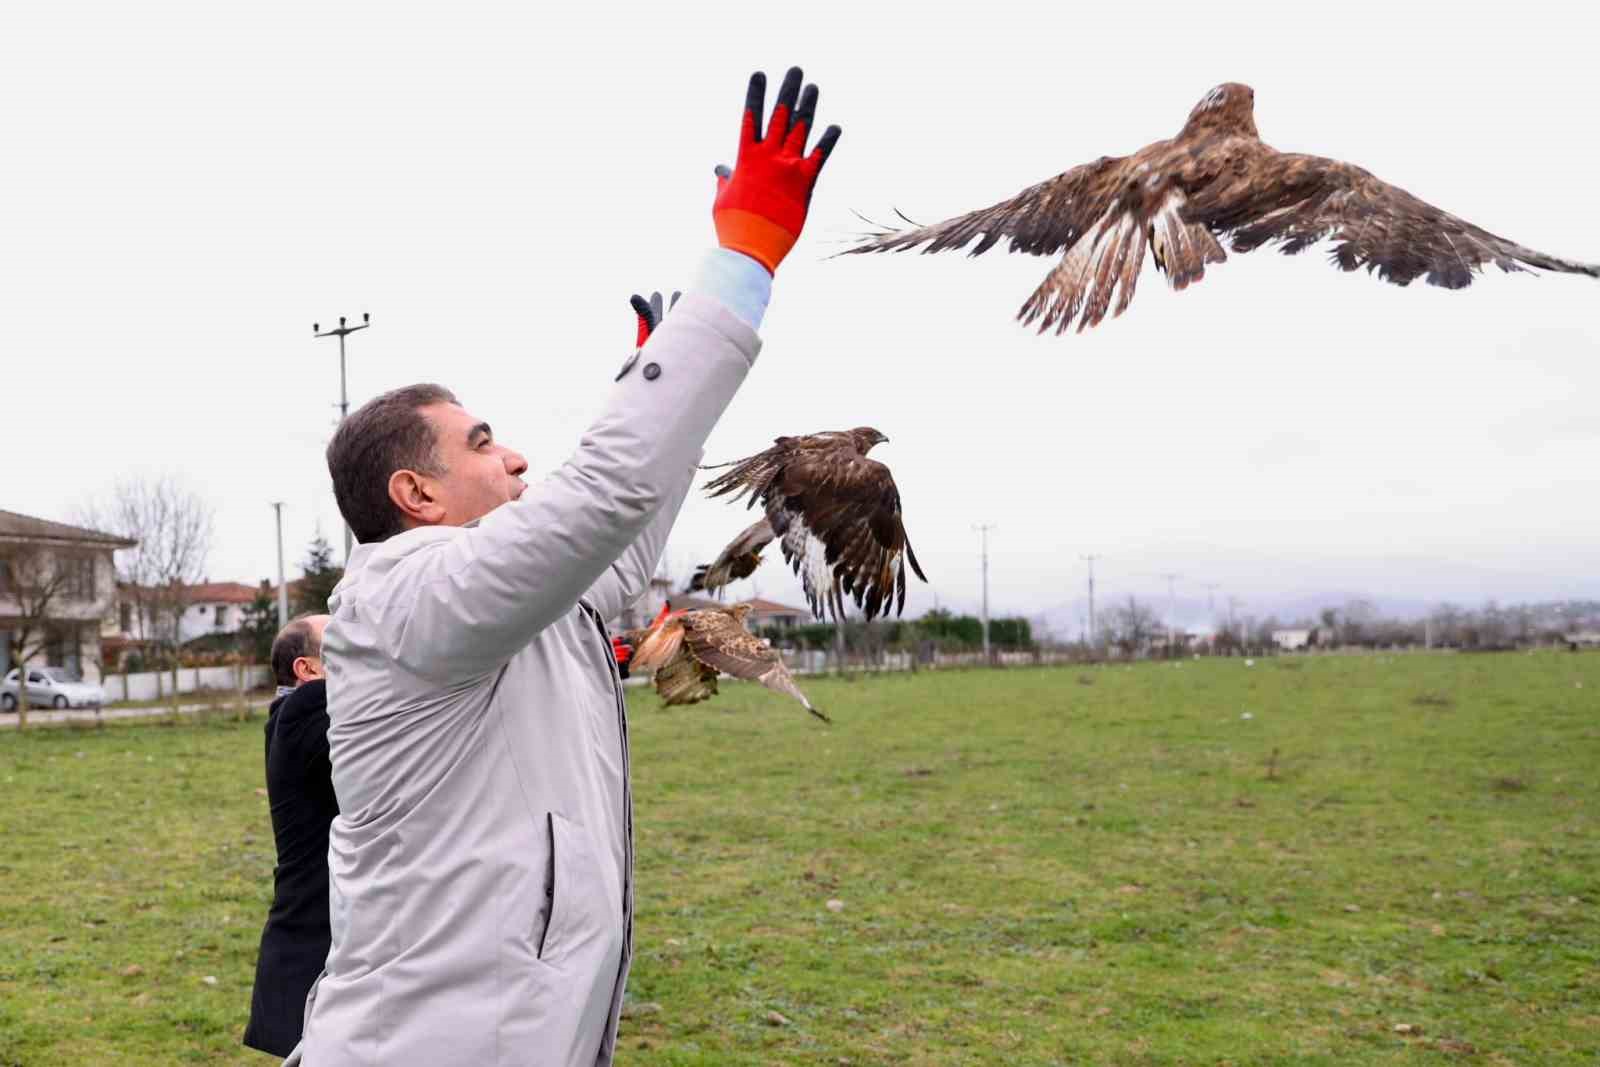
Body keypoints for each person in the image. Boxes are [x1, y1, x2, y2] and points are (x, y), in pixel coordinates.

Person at [286, 66, 841, 1066]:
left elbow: (615, 530)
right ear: (415, 494)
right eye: (483, 441)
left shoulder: (503, 599)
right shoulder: (408, 597)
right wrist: (741, 261)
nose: (516, 456)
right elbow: (601, 494)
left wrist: (651, 378)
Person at [243, 614, 337, 1058]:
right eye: (336, 638)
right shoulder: (307, 710)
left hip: (308, 938)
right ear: (308, 670)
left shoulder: (289, 716)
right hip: (313, 946)